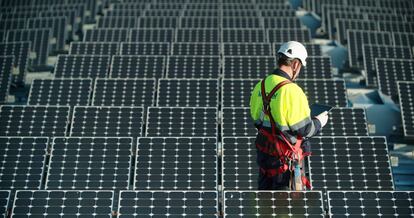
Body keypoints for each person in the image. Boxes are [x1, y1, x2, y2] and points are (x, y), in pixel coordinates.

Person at [249, 41, 329, 190]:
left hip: (265, 161)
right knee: (287, 209)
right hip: (285, 166)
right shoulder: (292, 91)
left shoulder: (260, 86)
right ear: (296, 64)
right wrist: (319, 122)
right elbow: (305, 130)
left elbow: (257, 120)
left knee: (265, 206)